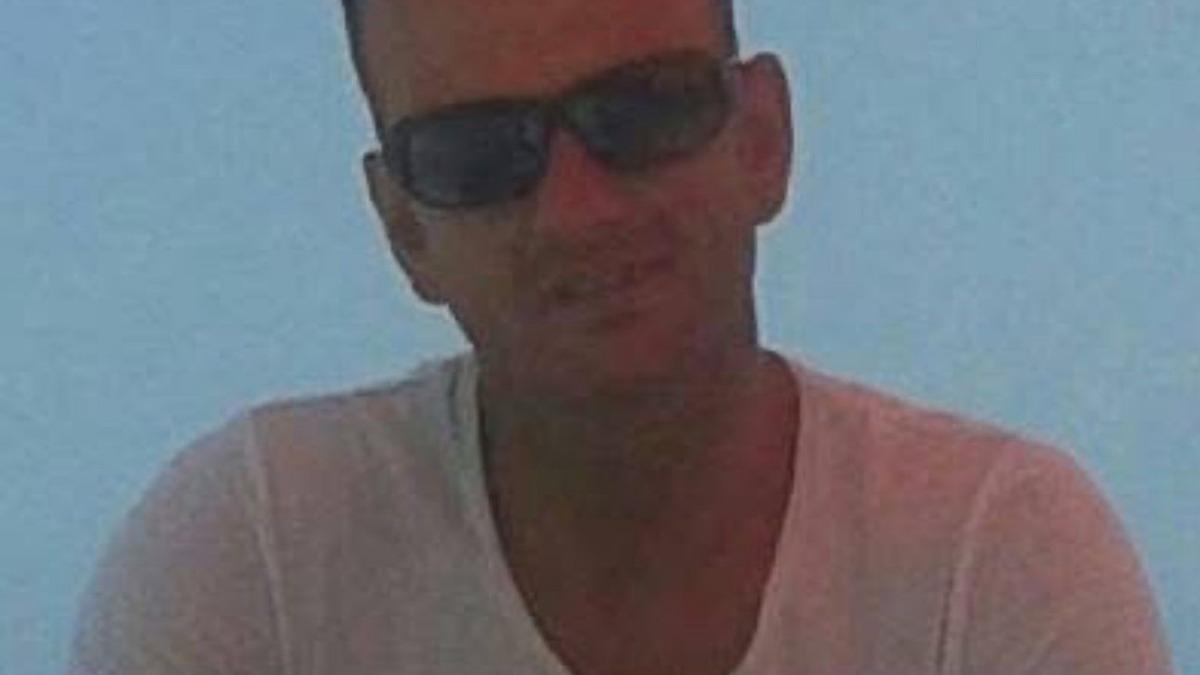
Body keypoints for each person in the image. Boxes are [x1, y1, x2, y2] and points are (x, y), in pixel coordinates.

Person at [68, 0, 1175, 673]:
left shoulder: (993, 556)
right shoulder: (255, 550)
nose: (576, 209)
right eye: (477, 153)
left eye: (643, 110)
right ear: (405, 229)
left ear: (764, 139)